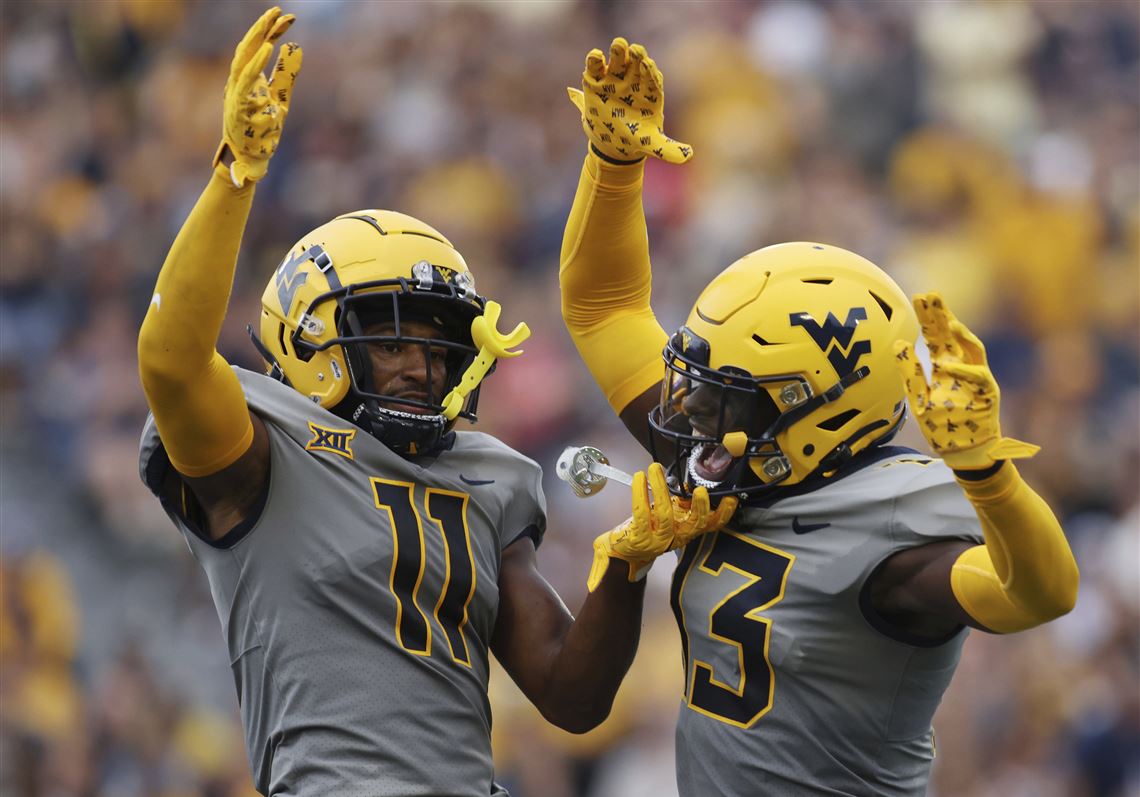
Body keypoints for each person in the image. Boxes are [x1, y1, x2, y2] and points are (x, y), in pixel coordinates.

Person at [136, 11, 734, 796]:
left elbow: (571, 694)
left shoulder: (484, 472)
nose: (421, 366)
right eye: (391, 343)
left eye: (439, 348)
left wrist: (623, 568)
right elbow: (172, 362)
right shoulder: (261, 450)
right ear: (312, 341)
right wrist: (236, 175)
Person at [560, 38, 1080, 796]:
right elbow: (604, 309)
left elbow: (1039, 594)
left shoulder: (895, 526)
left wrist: (988, 477)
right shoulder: (729, 454)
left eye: (726, 395)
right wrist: (613, 169)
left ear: (820, 412)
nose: (691, 413)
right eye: (699, 383)